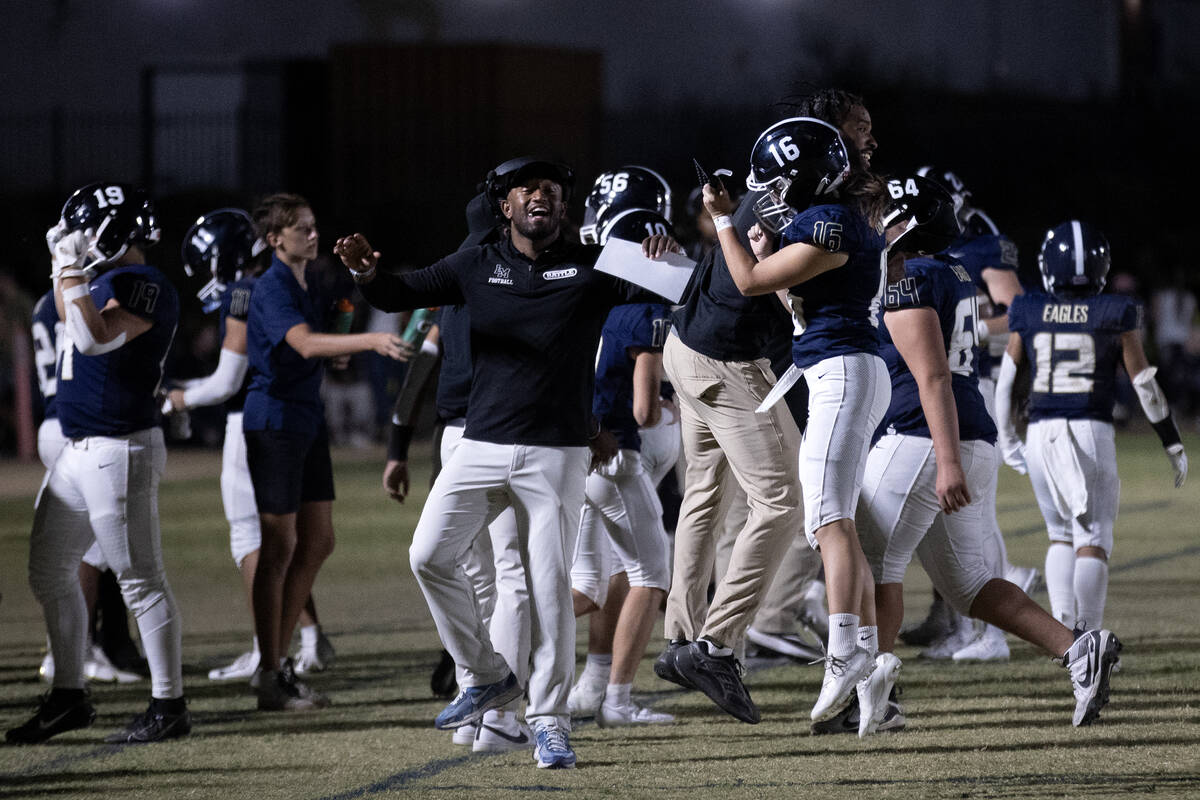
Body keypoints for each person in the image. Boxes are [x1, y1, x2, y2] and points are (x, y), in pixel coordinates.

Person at [334, 155, 677, 769]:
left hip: (556, 454)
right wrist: (366, 272)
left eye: (550, 189)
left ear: (564, 207)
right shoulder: (474, 263)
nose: (539, 195)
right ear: (505, 207)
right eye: (526, 189)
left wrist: (667, 253)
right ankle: (486, 674)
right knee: (428, 556)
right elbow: (399, 293)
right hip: (481, 445)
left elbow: (683, 288)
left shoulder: (595, 263)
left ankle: (549, 722)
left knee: (547, 588)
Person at [859, 179, 1127, 729]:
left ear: (907, 224)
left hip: (924, 434)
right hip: (965, 431)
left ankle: (873, 699)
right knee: (971, 585)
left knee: (868, 563)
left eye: (887, 217)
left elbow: (930, 375)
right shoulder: (953, 271)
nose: (878, 225)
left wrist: (947, 458)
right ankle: (1079, 649)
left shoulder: (910, 278)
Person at [654, 88, 877, 725]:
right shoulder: (812, 203)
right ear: (823, 140)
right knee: (785, 500)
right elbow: (759, 282)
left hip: (688, 344)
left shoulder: (785, 189)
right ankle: (717, 646)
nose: (866, 143)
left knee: (704, 495)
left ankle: (680, 638)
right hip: (727, 359)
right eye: (857, 131)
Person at [7, 182, 189, 744]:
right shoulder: (108, 278)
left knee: (140, 580)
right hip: (78, 445)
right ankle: (68, 694)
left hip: (120, 446)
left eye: (86, 231)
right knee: (48, 570)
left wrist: (69, 264)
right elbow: (68, 312)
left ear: (112, 232)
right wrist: (67, 265)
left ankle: (168, 705)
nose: (77, 240)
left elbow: (91, 339)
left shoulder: (145, 283)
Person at [241, 193, 408, 711]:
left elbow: (324, 345)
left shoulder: (309, 281)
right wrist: (370, 343)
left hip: (305, 423)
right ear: (275, 240)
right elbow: (307, 346)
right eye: (302, 229)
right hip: (275, 423)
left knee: (318, 541)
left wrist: (350, 306)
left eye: (314, 226)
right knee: (279, 548)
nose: (313, 235)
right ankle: (270, 671)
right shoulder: (268, 287)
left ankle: (277, 660)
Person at [384, 191, 534, 755]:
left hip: (451, 439)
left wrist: (397, 447)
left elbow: (418, 367)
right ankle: (497, 719)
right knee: (513, 577)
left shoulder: (444, 285)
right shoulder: (507, 275)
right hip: (500, 432)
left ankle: (477, 706)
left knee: (471, 576)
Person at [166, 208, 335, 682]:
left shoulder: (247, 290)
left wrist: (179, 397)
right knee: (289, 542)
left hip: (256, 424)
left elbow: (227, 381)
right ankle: (297, 642)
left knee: (257, 541)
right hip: (291, 419)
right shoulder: (283, 284)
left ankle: (270, 653)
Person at [997, 221, 1188, 634]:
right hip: (1089, 430)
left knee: (1060, 535)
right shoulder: (1114, 312)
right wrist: (1170, 439)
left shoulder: (1029, 308)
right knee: (1094, 538)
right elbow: (1144, 385)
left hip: (1040, 433)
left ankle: (1066, 636)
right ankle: (1088, 638)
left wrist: (1008, 438)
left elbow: (1007, 382)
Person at [901, 166, 1038, 663]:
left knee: (974, 515)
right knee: (943, 522)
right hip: (940, 385)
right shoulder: (923, 251)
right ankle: (961, 625)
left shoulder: (979, 242)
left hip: (968, 381)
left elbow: (1019, 312)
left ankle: (990, 631)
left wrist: (963, 330)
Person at [567, 207, 675, 728]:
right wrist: (671, 407)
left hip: (579, 455)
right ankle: (618, 700)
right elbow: (644, 411)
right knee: (651, 576)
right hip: (616, 458)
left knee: (587, 586)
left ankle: (500, 642)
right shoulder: (644, 314)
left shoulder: (594, 307)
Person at [29, 289, 143, 686]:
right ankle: (75, 653)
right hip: (73, 420)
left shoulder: (46, 302)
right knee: (88, 553)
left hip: (54, 418)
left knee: (67, 548)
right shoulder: (83, 294)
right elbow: (94, 340)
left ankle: (71, 652)